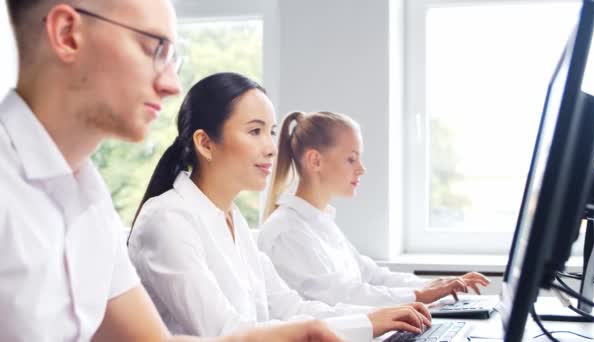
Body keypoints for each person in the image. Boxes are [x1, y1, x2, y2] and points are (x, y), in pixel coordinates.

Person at [1, 1, 343, 341]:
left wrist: (282, 336)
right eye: (153, 48)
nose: (171, 85)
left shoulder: (88, 198)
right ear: (67, 34)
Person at [128, 72, 432, 342]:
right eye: (254, 131)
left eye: (271, 132)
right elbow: (224, 333)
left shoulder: (234, 222)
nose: (272, 148)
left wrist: (371, 321)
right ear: (205, 143)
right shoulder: (166, 220)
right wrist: (364, 324)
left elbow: (288, 308)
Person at [258, 111, 490, 307]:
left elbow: (371, 276)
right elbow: (341, 298)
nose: (362, 169)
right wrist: (419, 296)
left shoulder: (319, 221)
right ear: (315, 161)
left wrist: (435, 285)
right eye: (351, 159)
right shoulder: (286, 231)